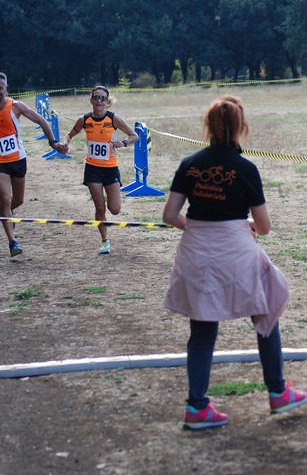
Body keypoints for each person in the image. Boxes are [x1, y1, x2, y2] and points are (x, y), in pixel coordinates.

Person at [162, 94, 307, 430]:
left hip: (197, 251)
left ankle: (197, 407)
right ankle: (278, 392)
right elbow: (265, 227)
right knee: (266, 310)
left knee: (202, 327)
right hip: (236, 251)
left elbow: (170, 215)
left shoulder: (189, 163)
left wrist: (198, 226)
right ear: (242, 127)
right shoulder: (246, 168)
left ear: (208, 126)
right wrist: (241, 226)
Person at [0, 71, 68, 257]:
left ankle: (6, 215)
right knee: (5, 199)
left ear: (6, 88)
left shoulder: (16, 106)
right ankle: (12, 241)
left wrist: (53, 142)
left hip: (17, 159)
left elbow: (41, 120)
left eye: (0, 88)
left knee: (18, 201)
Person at [64, 85, 138, 254]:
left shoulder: (113, 119)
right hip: (92, 168)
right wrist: (65, 143)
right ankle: (105, 241)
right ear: (91, 100)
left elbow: (134, 135)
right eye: (96, 97)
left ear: (107, 102)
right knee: (99, 206)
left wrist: (124, 143)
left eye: (102, 98)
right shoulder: (84, 120)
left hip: (110, 169)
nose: (99, 101)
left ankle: (108, 225)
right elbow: (70, 134)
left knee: (115, 209)